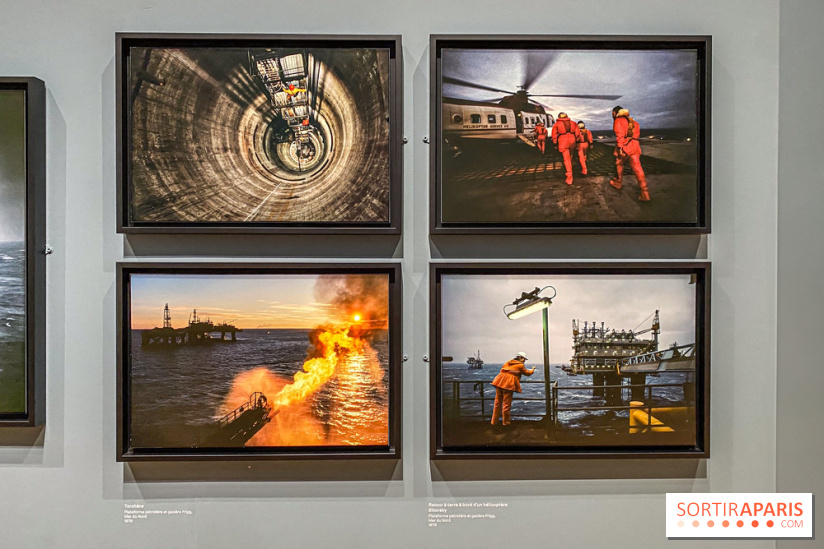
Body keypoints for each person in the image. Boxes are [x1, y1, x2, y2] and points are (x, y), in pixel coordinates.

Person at [610, 106, 650, 201]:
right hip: (635, 146)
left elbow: (620, 135)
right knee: (637, 168)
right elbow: (636, 135)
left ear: (616, 113)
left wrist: (620, 148)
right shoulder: (635, 122)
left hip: (624, 147)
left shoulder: (618, 121)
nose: (612, 116)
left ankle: (618, 183)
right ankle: (645, 192)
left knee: (619, 164)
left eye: (613, 114)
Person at [490, 352, 535, 426]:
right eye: (524, 359)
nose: (524, 361)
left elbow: (502, 371)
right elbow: (527, 373)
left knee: (497, 403)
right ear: (520, 358)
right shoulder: (520, 365)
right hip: (508, 385)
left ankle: (493, 423)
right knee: (506, 405)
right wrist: (533, 369)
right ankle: (506, 424)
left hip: (499, 382)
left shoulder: (508, 362)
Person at [551, 112, 582, 185]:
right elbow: (577, 134)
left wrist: (555, 143)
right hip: (572, 140)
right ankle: (570, 168)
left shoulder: (557, 124)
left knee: (566, 159)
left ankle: (569, 177)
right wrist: (577, 141)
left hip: (563, 140)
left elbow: (554, 135)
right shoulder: (573, 123)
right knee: (570, 156)